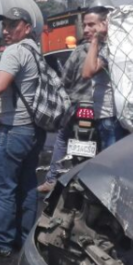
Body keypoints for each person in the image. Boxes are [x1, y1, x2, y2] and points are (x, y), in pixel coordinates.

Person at [0, 7, 45, 258]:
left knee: (1, 186)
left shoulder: (14, 51)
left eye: (12, 25)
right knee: (26, 186)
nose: (6, 30)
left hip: (13, 129)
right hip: (33, 130)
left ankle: (1, 242)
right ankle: (24, 239)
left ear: (26, 27)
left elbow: (0, 86)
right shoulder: (35, 51)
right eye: (4, 25)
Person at [37, 35, 92, 194]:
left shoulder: (78, 51)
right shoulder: (107, 51)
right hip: (101, 108)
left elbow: (65, 77)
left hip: (78, 103)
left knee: (62, 139)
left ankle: (52, 179)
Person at [81, 6, 127, 148]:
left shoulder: (111, 47)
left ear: (104, 24)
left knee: (111, 164)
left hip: (111, 116)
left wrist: (95, 39)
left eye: (91, 25)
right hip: (103, 114)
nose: (85, 30)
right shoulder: (103, 46)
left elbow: (87, 72)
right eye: (84, 25)